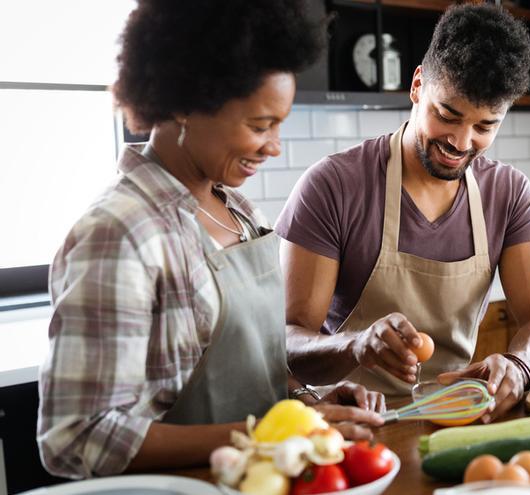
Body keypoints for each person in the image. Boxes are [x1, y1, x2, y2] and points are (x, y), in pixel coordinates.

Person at [38, 0, 384, 480]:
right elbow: (78, 438)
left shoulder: (240, 212)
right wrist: (273, 434)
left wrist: (309, 404)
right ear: (184, 104)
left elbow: (256, 370)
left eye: (279, 124)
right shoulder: (120, 234)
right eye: (260, 126)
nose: (274, 146)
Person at [276, 3, 530, 422]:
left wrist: (520, 367)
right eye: (447, 115)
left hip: (456, 419)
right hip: (355, 425)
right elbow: (285, 345)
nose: (461, 142)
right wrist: (356, 345)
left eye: (485, 127)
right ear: (417, 86)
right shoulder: (334, 185)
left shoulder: (508, 192)